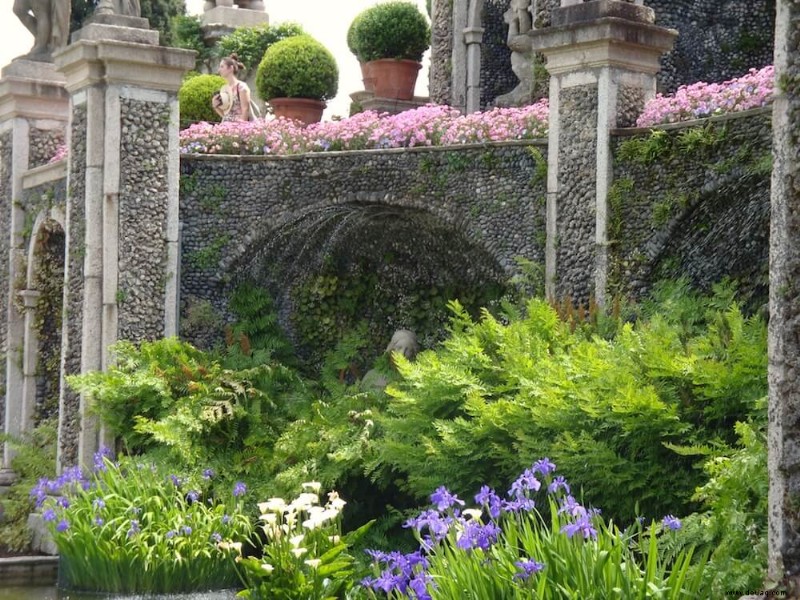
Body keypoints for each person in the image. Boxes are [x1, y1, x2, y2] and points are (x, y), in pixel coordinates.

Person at [212, 54, 252, 122]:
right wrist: (216, 106)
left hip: (239, 128)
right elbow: (226, 115)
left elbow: (245, 109)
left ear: (231, 68)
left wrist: (241, 129)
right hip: (226, 127)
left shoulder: (241, 87)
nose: (219, 70)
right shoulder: (224, 88)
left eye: (222, 67)